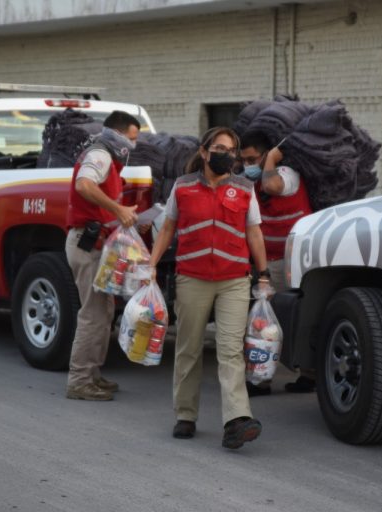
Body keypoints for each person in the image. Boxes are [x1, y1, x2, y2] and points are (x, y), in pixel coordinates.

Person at [149, 127, 270, 450]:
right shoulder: (183, 186)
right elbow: (168, 228)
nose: (226, 155)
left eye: (231, 151)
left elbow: (254, 233)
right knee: (188, 348)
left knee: (230, 351)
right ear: (204, 152)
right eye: (220, 148)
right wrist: (151, 264)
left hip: (233, 281)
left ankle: (236, 420)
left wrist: (264, 274)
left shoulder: (245, 188)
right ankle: (185, 415)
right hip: (192, 278)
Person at [65, 111, 141, 401]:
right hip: (87, 245)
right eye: (131, 138)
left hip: (94, 244)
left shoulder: (108, 157)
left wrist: (126, 214)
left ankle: (92, 374)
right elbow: (84, 185)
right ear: (118, 134)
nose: (134, 145)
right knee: (93, 315)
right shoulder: (100, 155)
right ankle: (80, 380)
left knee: (103, 311)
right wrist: (119, 210)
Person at [239, 130, 316, 395]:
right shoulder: (251, 182)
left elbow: (272, 187)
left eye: (253, 159)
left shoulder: (285, 174)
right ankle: (261, 379)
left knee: (298, 318)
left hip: (291, 261)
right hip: (266, 262)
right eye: (244, 160)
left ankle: (309, 375)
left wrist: (271, 159)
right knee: (262, 322)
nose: (248, 165)